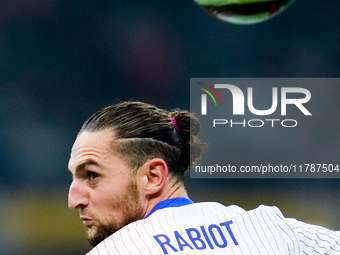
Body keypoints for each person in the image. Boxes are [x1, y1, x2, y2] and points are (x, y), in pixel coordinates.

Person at [68, 101, 340, 255]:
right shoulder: (274, 227)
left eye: (92, 175)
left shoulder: (118, 252)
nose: (73, 199)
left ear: (153, 176)